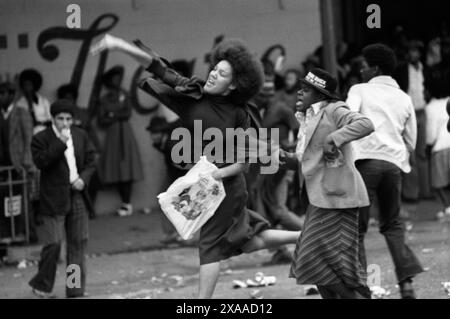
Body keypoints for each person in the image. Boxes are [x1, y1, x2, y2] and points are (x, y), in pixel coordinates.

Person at [91, 34, 301, 299]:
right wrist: (118, 45)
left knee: (210, 246)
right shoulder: (193, 92)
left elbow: (243, 163)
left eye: (222, 73)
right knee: (246, 241)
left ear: (234, 84)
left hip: (226, 188)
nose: (213, 74)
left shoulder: (239, 115)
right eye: (214, 68)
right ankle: (303, 236)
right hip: (210, 184)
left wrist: (217, 173)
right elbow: (157, 66)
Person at [279, 68, 374, 299]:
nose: (299, 93)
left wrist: (335, 137)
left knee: (313, 257)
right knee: (320, 264)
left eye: (307, 90)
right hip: (319, 199)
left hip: (338, 197)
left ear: (321, 95)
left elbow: (365, 124)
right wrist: (281, 157)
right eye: (300, 88)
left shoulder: (334, 109)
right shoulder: (308, 119)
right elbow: (306, 162)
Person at [346, 43, 424, 299]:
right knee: (392, 224)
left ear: (375, 68)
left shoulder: (359, 90)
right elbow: (411, 140)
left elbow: (347, 121)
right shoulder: (404, 97)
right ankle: (407, 283)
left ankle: (361, 290)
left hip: (364, 163)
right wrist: (398, 157)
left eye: (364, 64)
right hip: (393, 166)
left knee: (357, 229)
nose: (360, 68)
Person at [28, 99, 96, 298]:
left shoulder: (81, 135)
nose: (65, 123)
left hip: (76, 195)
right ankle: (41, 285)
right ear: (52, 119)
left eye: (68, 119)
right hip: (53, 198)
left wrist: (83, 179)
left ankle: (74, 289)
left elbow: (92, 161)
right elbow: (41, 162)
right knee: (54, 244)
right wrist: (60, 143)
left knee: (77, 244)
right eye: (60, 119)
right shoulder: (41, 138)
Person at [96, 66, 144, 216]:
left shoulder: (125, 94)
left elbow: (127, 113)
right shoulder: (104, 99)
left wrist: (112, 114)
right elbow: (101, 119)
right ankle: (124, 203)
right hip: (113, 136)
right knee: (115, 167)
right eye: (114, 79)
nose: (117, 81)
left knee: (127, 167)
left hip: (125, 133)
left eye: (118, 79)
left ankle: (126, 203)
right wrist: (116, 114)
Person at [394, 40, 432, 200]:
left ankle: (425, 192)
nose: (413, 54)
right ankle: (411, 193)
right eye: (411, 51)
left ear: (419, 53)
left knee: (422, 153)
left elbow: (430, 86)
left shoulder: (426, 69)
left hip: (422, 111)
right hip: (408, 113)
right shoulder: (402, 69)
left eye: (416, 51)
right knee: (410, 153)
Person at [57, 84, 100, 219]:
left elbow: (91, 132)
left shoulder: (82, 113)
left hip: (83, 152)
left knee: (93, 180)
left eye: (71, 98)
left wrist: (97, 149)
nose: (69, 101)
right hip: (65, 154)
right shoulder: (58, 116)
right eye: (66, 99)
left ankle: (90, 209)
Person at [0, 82, 36, 242]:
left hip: (18, 164)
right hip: (2, 165)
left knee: (23, 201)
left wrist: (26, 163)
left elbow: (29, 139)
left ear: (11, 95)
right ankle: (8, 235)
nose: (1, 97)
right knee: (5, 202)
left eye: (3, 93)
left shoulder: (21, 113)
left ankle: (28, 234)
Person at [16, 69, 52, 135]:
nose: (27, 88)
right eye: (25, 85)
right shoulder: (19, 103)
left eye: (29, 85)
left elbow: (50, 119)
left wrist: (41, 123)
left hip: (45, 132)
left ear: (34, 85)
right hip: (28, 134)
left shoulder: (44, 101)